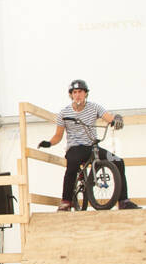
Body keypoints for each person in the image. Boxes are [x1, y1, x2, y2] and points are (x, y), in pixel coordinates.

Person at [39, 79, 140, 211]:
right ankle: (66, 201)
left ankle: (123, 201)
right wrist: (49, 143)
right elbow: (58, 136)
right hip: (75, 148)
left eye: (80, 92)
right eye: (74, 92)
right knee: (72, 165)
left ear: (86, 93)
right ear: (71, 95)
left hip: (92, 147)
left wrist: (116, 120)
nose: (77, 95)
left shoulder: (94, 107)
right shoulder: (64, 113)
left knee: (118, 162)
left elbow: (109, 117)